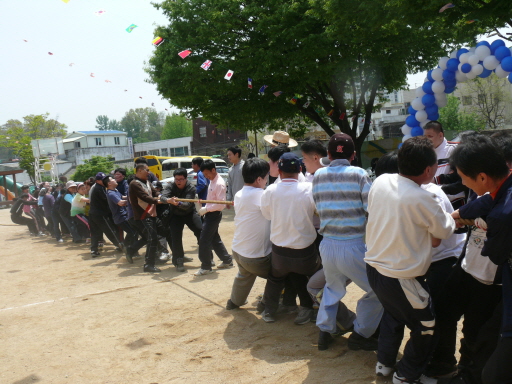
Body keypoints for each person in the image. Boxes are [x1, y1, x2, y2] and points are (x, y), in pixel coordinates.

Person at [364, 136, 456, 383]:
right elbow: (444, 232)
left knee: (394, 313)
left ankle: (384, 363)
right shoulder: (425, 198)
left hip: (374, 269)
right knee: (426, 326)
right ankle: (405, 375)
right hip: (402, 277)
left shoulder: (381, 181)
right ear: (428, 170)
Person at [448, 135, 512, 384]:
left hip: (501, 285)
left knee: (495, 372)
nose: (462, 182)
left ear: (482, 177)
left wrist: (474, 222)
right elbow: (482, 202)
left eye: (463, 178)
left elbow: (494, 254)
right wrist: (462, 215)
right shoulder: (499, 189)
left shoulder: (504, 214)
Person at [313, 134, 383, 351]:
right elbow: (371, 207)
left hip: (327, 244)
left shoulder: (318, 175)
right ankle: (361, 332)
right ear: (353, 155)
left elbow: (317, 205)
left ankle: (325, 331)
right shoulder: (359, 174)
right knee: (379, 291)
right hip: (353, 244)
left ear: (328, 155)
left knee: (332, 288)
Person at [259, 153, 321, 324]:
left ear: (279, 171)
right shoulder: (309, 188)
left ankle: (269, 311)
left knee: (275, 278)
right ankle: (308, 308)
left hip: (279, 250)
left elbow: (266, 214)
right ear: (300, 169)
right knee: (309, 275)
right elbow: (318, 211)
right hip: (305, 250)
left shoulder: (270, 190)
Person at [226, 158, 272, 310]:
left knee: (244, 275)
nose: (267, 181)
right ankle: (267, 302)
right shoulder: (261, 195)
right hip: (256, 258)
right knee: (281, 273)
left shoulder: (239, 194)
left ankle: (234, 302)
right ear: (259, 179)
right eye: (266, 178)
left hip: (238, 251)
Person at [129, 163, 172, 273]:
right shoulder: (134, 184)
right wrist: (164, 201)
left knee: (166, 232)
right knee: (151, 238)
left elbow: (155, 192)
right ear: (139, 171)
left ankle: (176, 256)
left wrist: (162, 197)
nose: (149, 172)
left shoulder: (146, 182)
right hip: (143, 216)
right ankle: (148, 264)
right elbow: (146, 198)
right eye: (147, 170)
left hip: (151, 215)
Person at [194, 160, 233, 276]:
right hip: (210, 213)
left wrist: (206, 209)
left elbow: (220, 204)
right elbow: (211, 199)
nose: (206, 176)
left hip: (214, 215)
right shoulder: (212, 180)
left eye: (207, 174)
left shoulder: (219, 183)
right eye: (204, 175)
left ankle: (206, 266)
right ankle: (227, 260)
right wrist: (204, 204)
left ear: (213, 170)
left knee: (204, 240)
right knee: (214, 238)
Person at [162, 168, 201, 272]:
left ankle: (207, 258)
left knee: (200, 231)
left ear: (186, 179)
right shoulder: (170, 186)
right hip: (175, 215)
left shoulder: (191, 188)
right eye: (176, 179)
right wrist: (167, 200)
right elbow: (162, 197)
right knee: (175, 238)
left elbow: (187, 205)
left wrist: (177, 203)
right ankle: (179, 260)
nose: (178, 181)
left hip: (189, 213)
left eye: (181, 179)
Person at [424, 121, 464, 208]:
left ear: (441, 135)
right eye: (425, 137)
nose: (427, 140)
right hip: (433, 201)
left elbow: (458, 177)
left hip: (455, 200)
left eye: (430, 136)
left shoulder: (455, 148)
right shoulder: (424, 152)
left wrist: (436, 180)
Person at [104, 175, 140, 264]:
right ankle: (127, 247)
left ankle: (129, 249)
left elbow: (123, 197)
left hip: (124, 216)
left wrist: (133, 196)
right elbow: (120, 203)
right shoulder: (111, 193)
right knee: (133, 232)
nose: (115, 179)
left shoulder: (115, 191)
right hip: (121, 218)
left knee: (134, 232)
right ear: (109, 183)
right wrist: (133, 201)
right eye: (112, 179)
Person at [88, 172, 124, 257]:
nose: (105, 181)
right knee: (110, 230)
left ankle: (94, 250)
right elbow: (107, 200)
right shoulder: (99, 188)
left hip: (93, 213)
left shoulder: (99, 187)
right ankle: (120, 246)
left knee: (95, 233)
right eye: (102, 180)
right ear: (97, 181)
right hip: (100, 214)